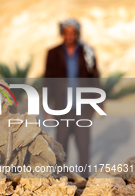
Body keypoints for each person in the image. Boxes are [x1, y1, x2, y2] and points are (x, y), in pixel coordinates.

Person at [44, 18, 104, 178]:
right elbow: (48, 80)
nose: (70, 35)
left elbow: (95, 77)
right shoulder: (53, 53)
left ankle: (84, 180)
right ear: (62, 33)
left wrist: (100, 103)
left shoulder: (88, 52)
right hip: (61, 106)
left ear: (77, 34)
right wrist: (46, 106)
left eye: (73, 32)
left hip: (83, 107)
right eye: (67, 32)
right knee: (61, 145)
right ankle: (61, 179)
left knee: (83, 145)